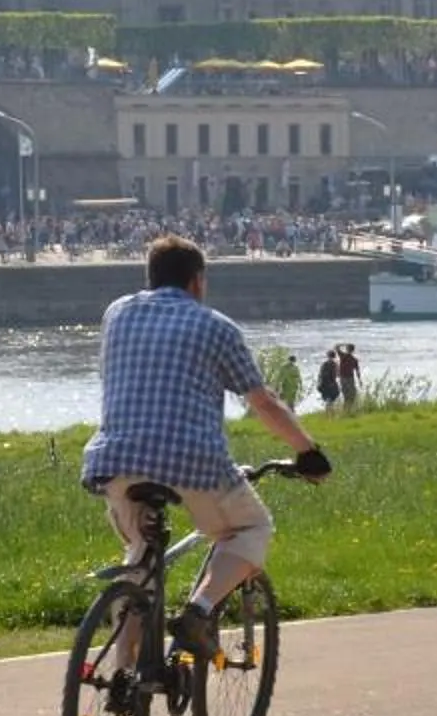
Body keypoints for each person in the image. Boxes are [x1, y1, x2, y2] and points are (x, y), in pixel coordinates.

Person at [79, 236, 330, 669]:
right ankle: (198, 612)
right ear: (198, 282)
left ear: (150, 278)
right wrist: (307, 450)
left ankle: (124, 675)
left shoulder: (117, 314)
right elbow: (263, 402)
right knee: (251, 528)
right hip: (193, 463)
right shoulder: (216, 327)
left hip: (113, 461)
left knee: (140, 558)